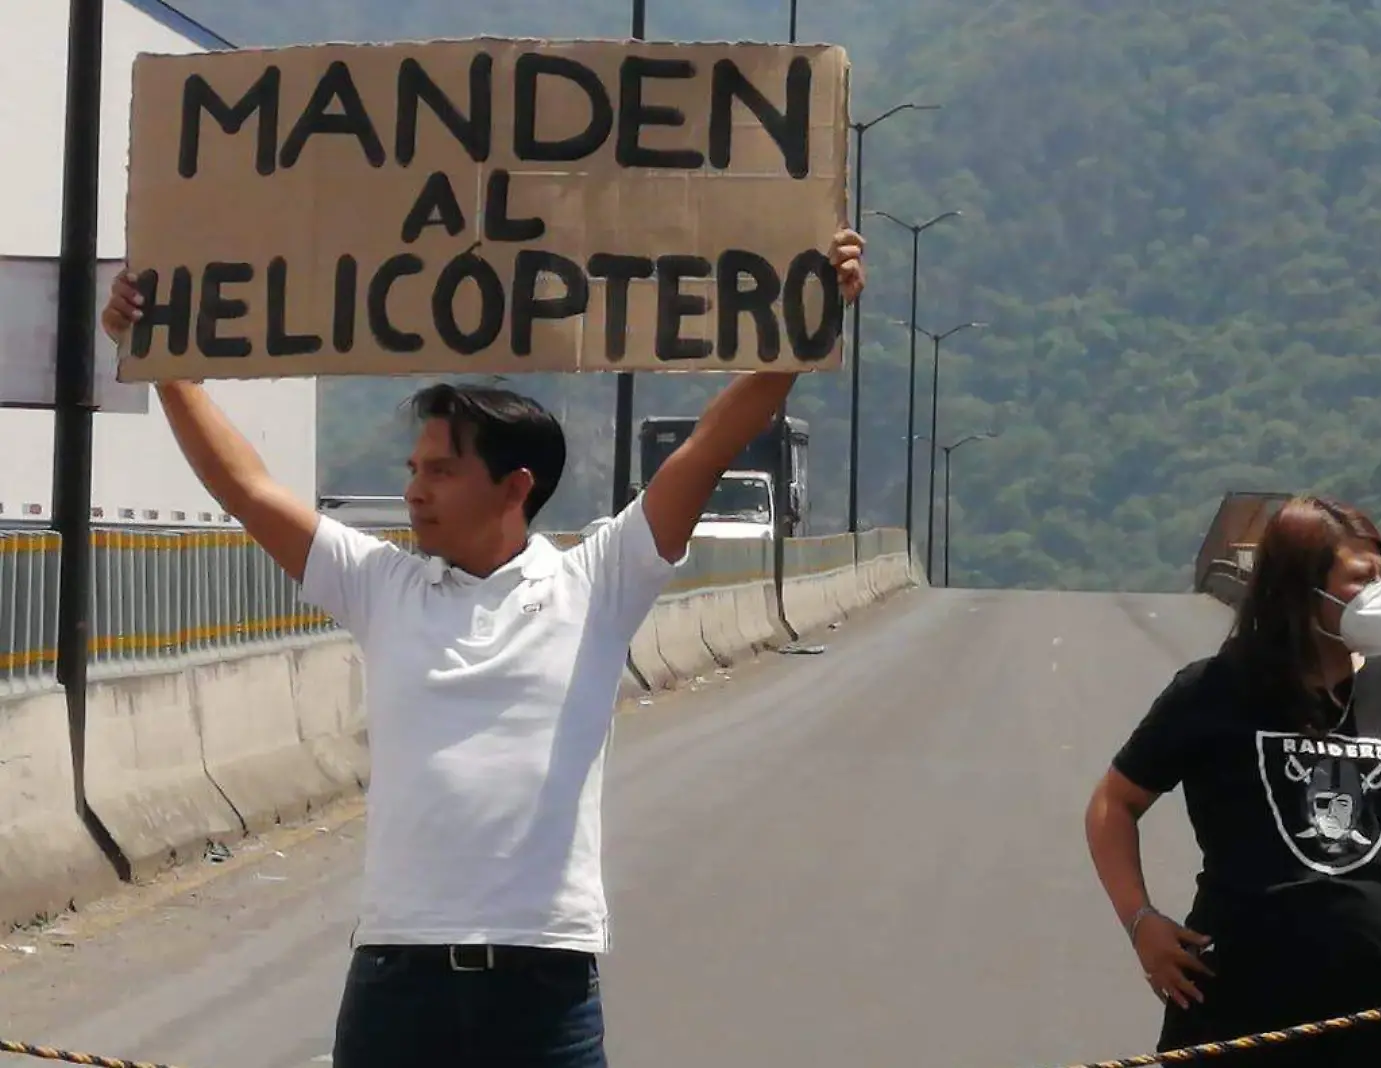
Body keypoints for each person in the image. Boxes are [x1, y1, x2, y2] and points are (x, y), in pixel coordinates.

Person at [98, 229, 867, 1068]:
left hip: (543, 986)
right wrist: (159, 361)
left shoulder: (597, 583)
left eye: (439, 471)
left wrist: (802, 331)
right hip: (398, 976)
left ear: (514, 488)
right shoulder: (381, 586)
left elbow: (709, 447)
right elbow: (245, 487)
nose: (413, 490)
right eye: (413, 467)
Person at [1083, 496, 1381, 1066]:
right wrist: (1140, 921)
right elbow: (1114, 803)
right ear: (1299, 590)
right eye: (1359, 579)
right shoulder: (1212, 691)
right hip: (1235, 1006)